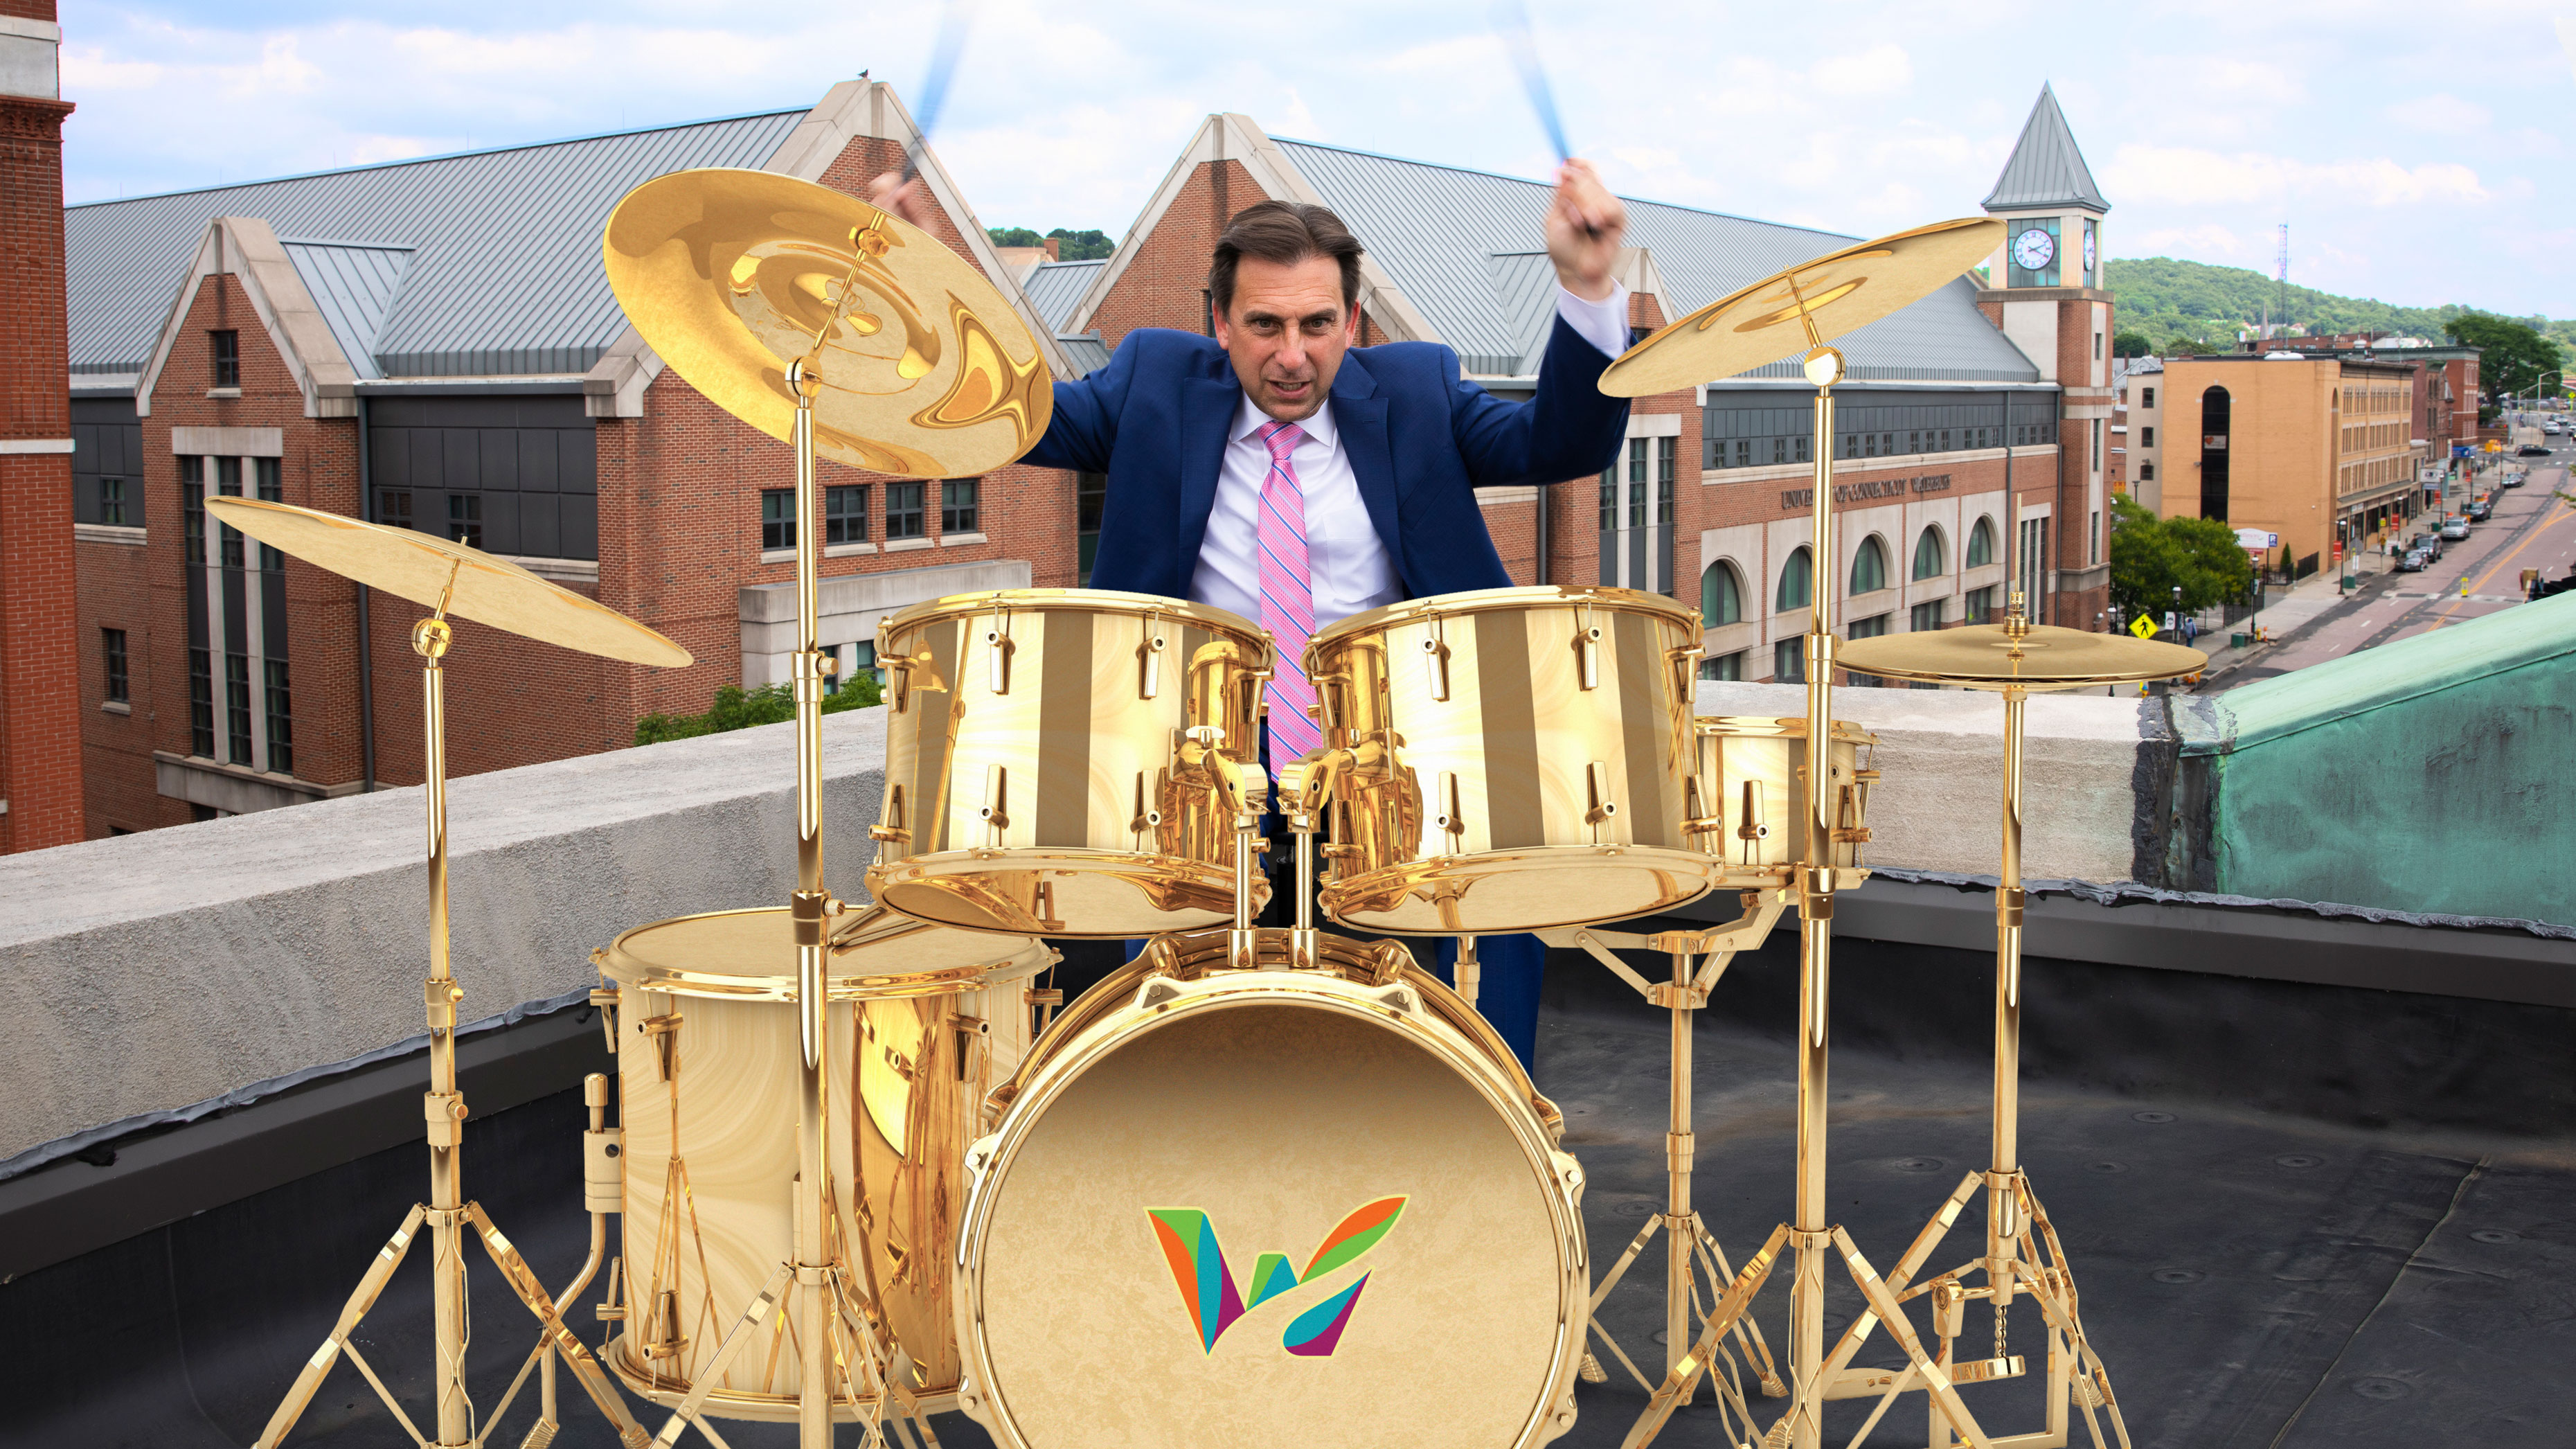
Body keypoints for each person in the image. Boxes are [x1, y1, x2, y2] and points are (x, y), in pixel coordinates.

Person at [871, 163, 1636, 1069]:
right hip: (1201, 792)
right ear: (1220, 325)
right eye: (1265, 325)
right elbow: (1011, 415)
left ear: (1352, 324)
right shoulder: (1154, 385)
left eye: (1318, 325)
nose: (1292, 354)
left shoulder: (1419, 393)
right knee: (1193, 1053)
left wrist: (1588, 288)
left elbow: (1563, 443)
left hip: (1391, 789)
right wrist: (922, 283)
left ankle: (1492, 1149)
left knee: (1437, 1021)